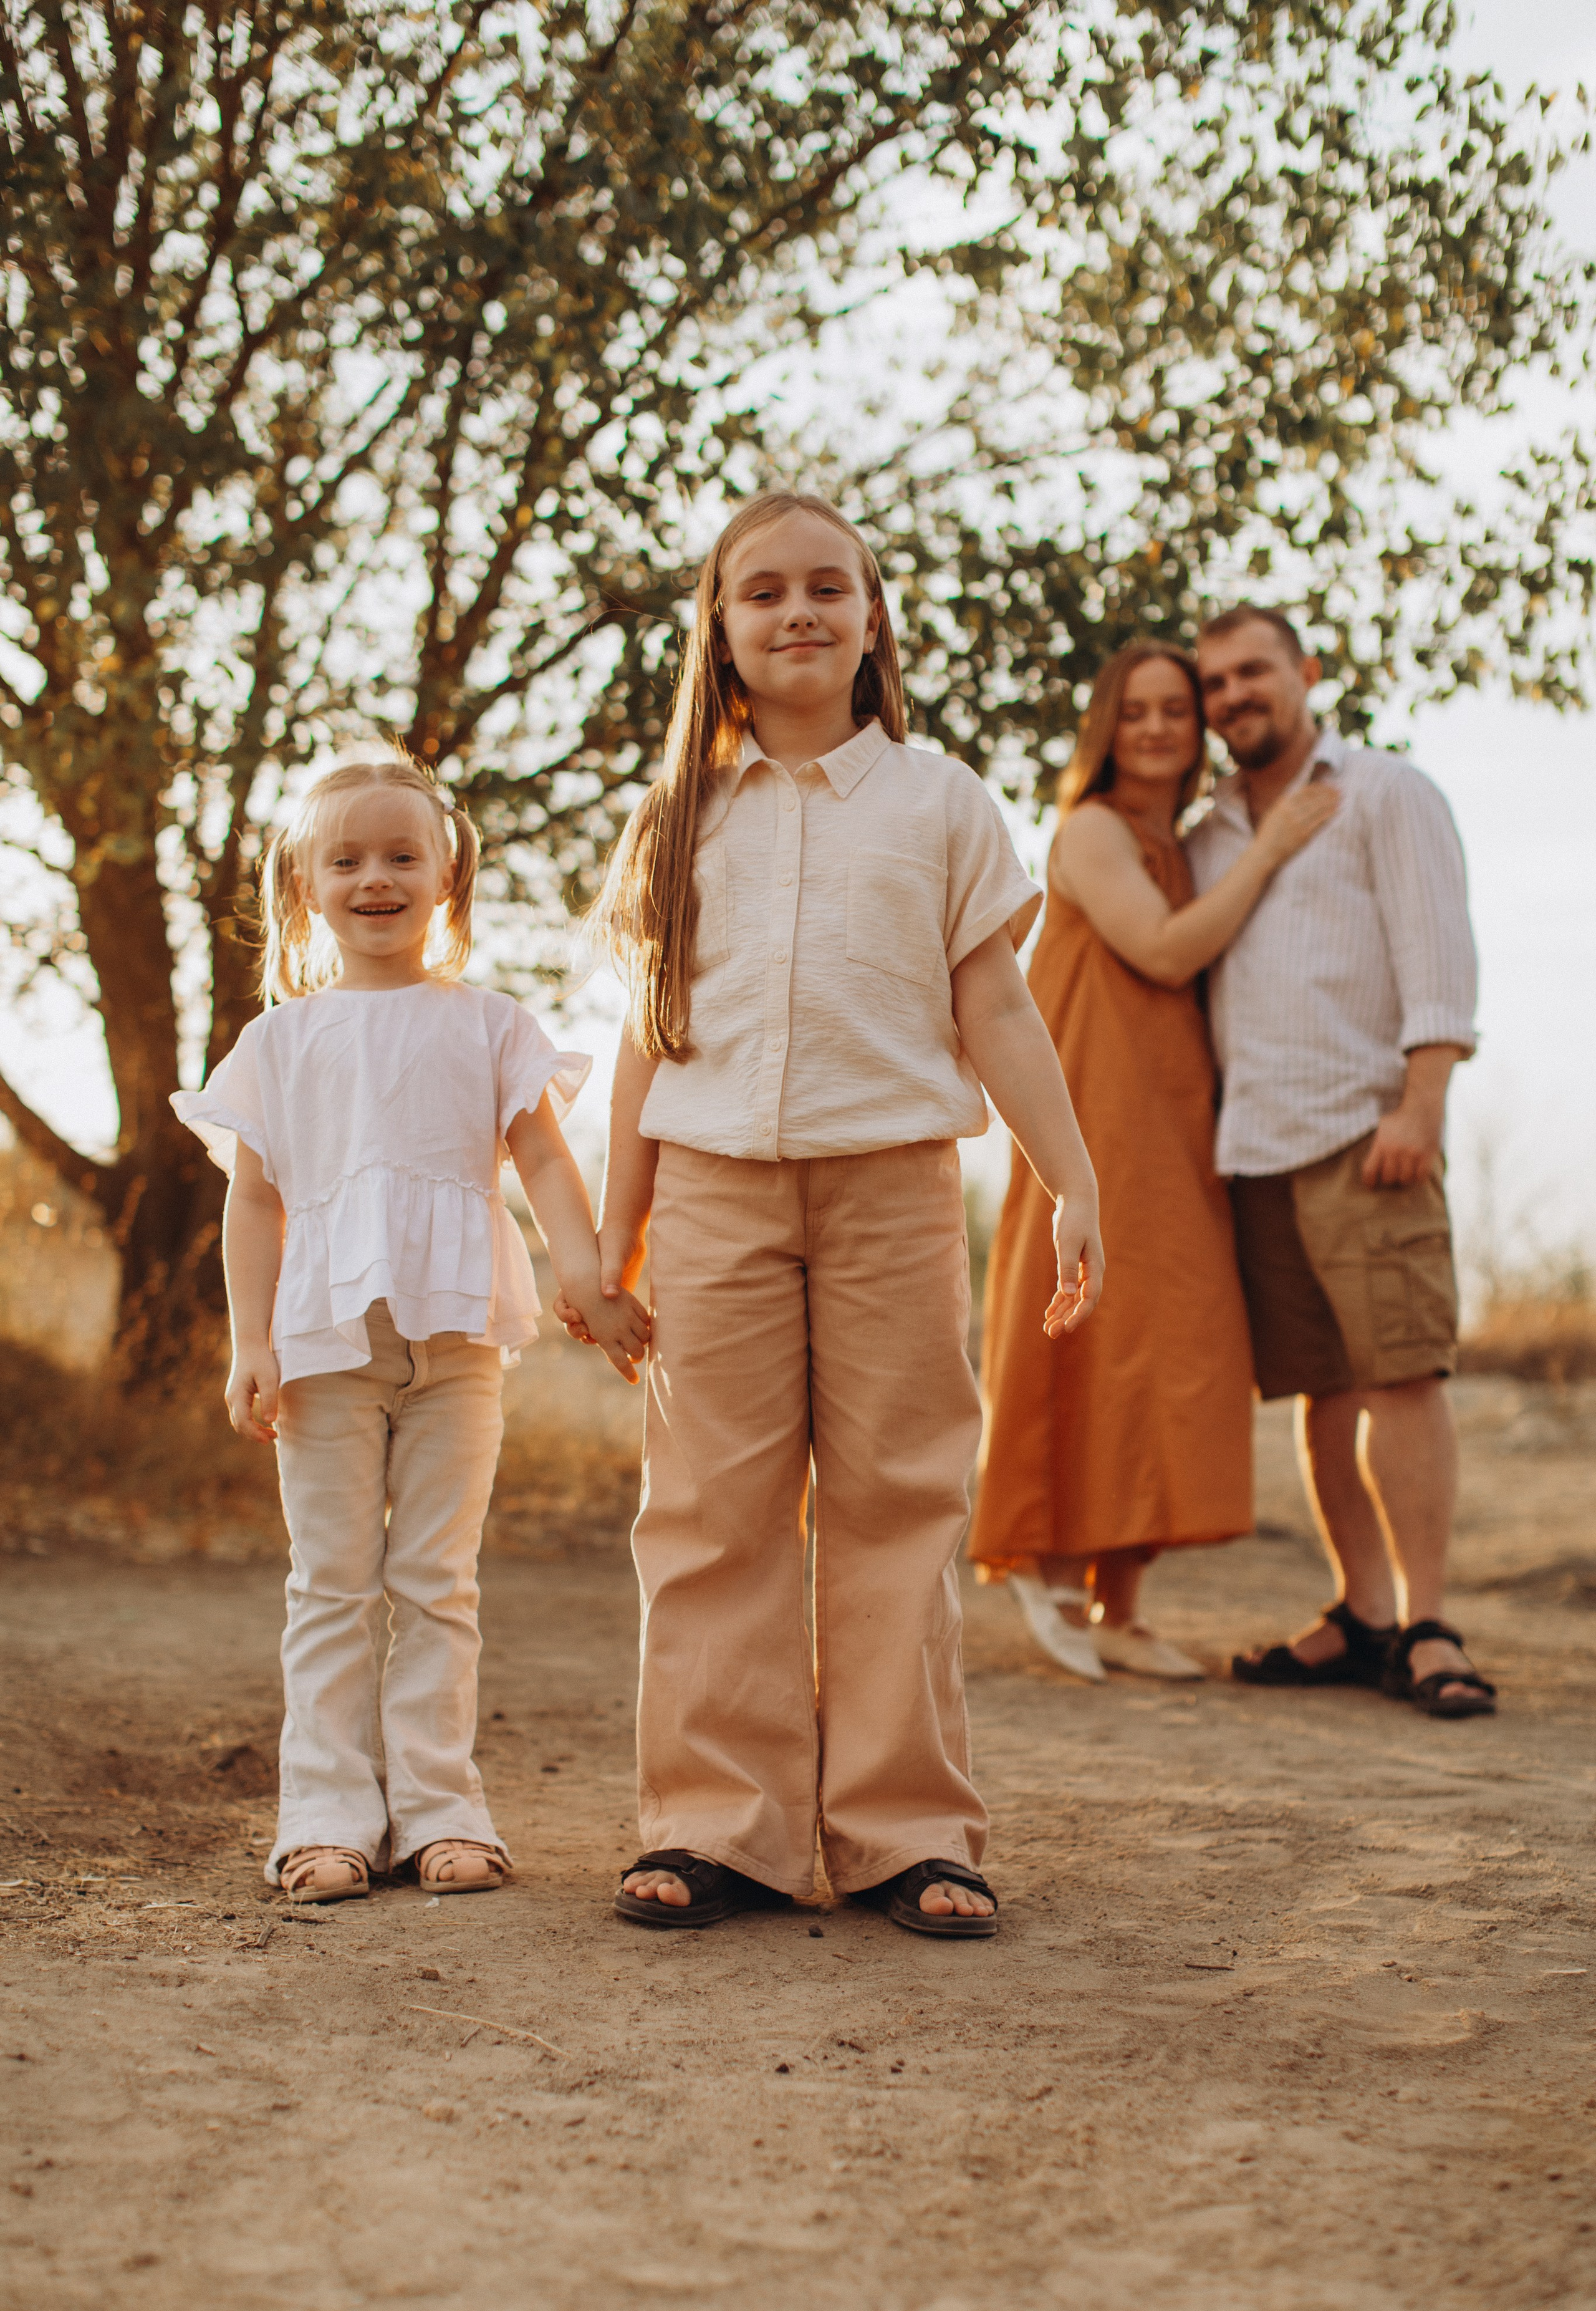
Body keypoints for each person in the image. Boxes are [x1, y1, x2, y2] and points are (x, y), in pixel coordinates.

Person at [564, 490, 1103, 1939]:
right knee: (708, 1513)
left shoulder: (941, 803)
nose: (797, 611)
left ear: (871, 622)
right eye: (762, 593)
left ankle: (906, 1833)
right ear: (720, 636)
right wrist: (608, 1237)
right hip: (710, 1197)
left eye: (827, 588)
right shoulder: (675, 817)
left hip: (892, 1192)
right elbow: (643, 1037)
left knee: (898, 1502)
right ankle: (713, 1826)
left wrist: (1071, 1176)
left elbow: (992, 1001)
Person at [171, 756, 650, 1903]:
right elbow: (255, 1200)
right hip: (322, 1355)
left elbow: (542, 1159)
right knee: (332, 1581)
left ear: (448, 879)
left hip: (458, 1350)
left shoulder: (487, 1028)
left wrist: (585, 1275)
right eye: (346, 861)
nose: (375, 879)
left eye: (402, 857)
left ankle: (441, 1809)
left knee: (437, 1582)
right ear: (304, 888)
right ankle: (324, 1817)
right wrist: (251, 1344)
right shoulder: (281, 1044)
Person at [971, 642, 1338, 1680]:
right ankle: (1046, 1567)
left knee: (1170, 1346)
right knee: (1093, 1326)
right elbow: (1167, 951)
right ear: (1107, 724)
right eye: (1136, 711)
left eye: (1177, 709)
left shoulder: (1173, 840)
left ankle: (1119, 1604)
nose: (1158, 728)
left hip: (1177, 1118)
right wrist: (1269, 850)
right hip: (1097, 1112)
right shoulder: (1089, 830)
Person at [1190, 605, 1494, 1719]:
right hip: (1257, 1147)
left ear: (1307, 674)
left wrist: (1422, 1102)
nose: (1234, 696)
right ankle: (1363, 1615)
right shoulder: (1210, 832)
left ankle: (1429, 1622)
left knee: (1402, 1375)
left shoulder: (1385, 792)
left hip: (1369, 1134)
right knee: (1321, 1390)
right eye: (1215, 682)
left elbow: (1439, 954)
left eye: (1253, 672)